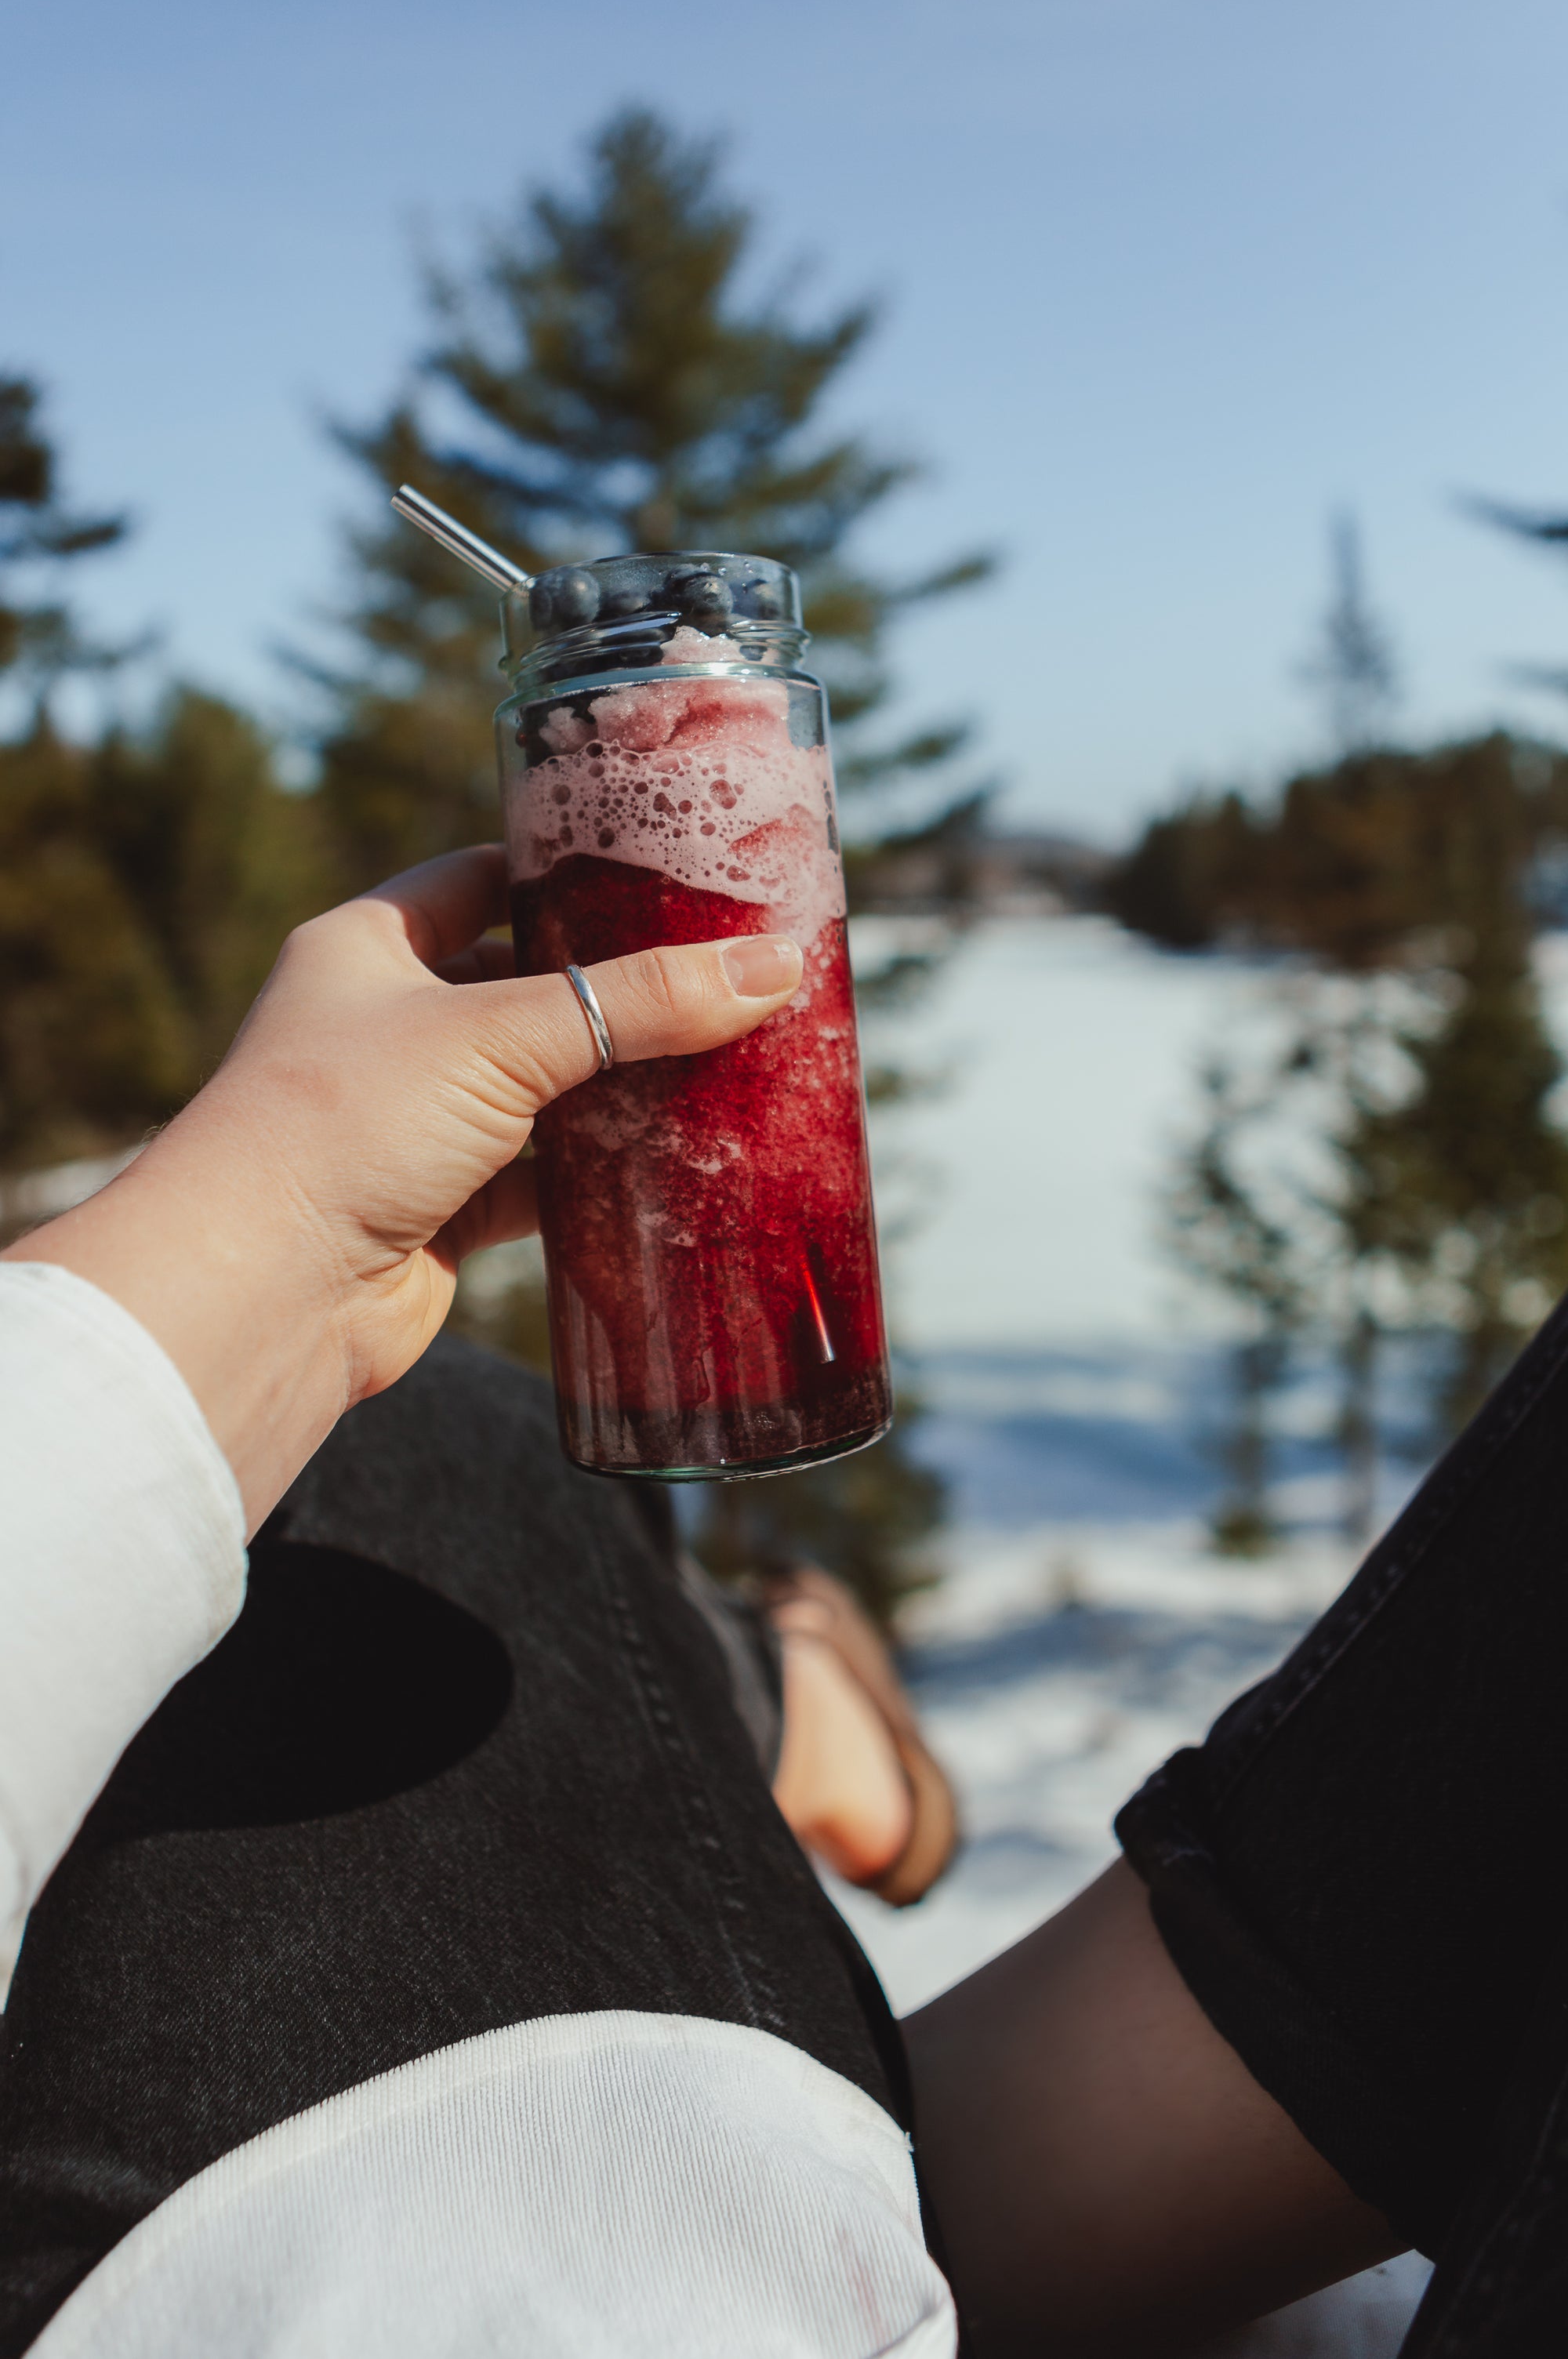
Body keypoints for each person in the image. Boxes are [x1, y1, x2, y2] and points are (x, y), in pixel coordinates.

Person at [1, 847, 1564, 2356]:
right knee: (427, 1441)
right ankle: (774, 1691)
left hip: (417, 2240)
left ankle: (767, 1687)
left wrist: (252, 1236)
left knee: (404, 1432)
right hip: (626, 2220)